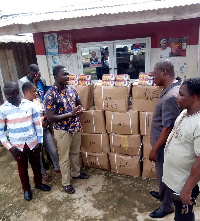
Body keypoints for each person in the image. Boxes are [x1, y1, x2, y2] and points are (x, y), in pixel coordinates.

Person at [0, 81, 51, 201]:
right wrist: (9, 147)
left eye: (10, 94)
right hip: (16, 147)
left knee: (36, 165)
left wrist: (39, 142)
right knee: (22, 169)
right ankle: (26, 189)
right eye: (6, 94)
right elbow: (1, 131)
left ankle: (38, 183)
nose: (7, 97)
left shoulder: (29, 105)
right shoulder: (3, 109)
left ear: (17, 92)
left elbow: (38, 125)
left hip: (33, 143)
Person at [44, 65, 89, 194]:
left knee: (75, 153)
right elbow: (51, 118)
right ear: (56, 76)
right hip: (62, 130)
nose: (67, 76)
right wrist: (71, 113)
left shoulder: (71, 89)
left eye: (67, 74)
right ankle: (66, 182)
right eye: (64, 74)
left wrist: (79, 109)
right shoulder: (50, 95)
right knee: (64, 158)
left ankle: (75, 173)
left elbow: (79, 103)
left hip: (75, 127)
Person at [163, 78, 200, 220]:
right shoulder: (185, 112)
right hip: (176, 179)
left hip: (185, 183)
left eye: (181, 94)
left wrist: (187, 189)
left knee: (184, 216)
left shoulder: (198, 123)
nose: (177, 97)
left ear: (194, 97)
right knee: (179, 214)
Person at [149, 59, 181, 218]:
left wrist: (155, 149)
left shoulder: (171, 96)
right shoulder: (172, 88)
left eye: (155, 74)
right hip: (163, 143)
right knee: (163, 174)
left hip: (163, 146)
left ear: (164, 73)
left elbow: (167, 127)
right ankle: (164, 195)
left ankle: (167, 205)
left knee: (164, 174)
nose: (153, 77)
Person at [22, 82, 60, 181]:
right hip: (33, 135)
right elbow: (27, 120)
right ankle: (42, 173)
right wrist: (41, 120)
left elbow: (47, 112)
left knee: (53, 150)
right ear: (26, 92)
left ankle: (57, 167)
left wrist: (44, 120)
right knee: (38, 156)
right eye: (33, 91)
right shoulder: (22, 106)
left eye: (36, 90)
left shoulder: (38, 101)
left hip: (44, 130)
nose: (36, 93)